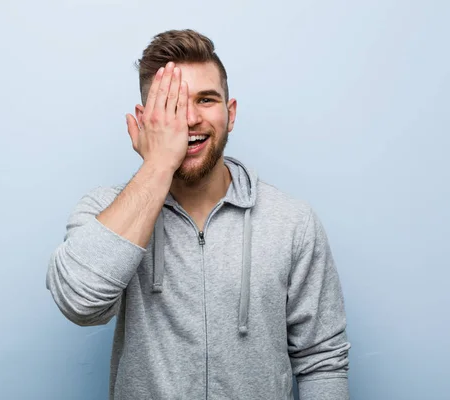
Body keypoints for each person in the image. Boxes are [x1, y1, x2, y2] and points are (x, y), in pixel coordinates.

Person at [46, 29, 351, 400]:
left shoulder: (292, 222)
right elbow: (80, 304)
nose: (189, 118)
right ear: (144, 121)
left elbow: (322, 360)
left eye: (205, 100)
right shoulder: (104, 211)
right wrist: (158, 162)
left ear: (230, 112)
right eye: (170, 105)